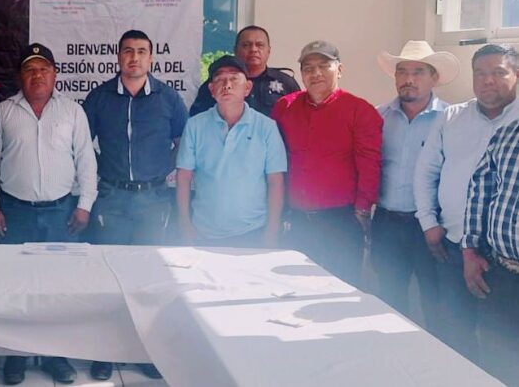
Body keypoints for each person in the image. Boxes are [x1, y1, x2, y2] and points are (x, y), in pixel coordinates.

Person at [0, 43, 97, 385]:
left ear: (55, 74)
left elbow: (86, 160)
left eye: (44, 69)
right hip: (15, 212)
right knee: (17, 287)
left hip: (61, 212)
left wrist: (85, 205)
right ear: (20, 76)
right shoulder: (3, 111)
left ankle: (54, 355)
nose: (37, 75)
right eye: (30, 69)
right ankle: (16, 355)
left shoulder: (73, 111)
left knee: (56, 288)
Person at [82, 29, 187, 382]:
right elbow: (81, 145)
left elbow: (182, 142)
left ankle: (146, 351)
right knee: (108, 278)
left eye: (142, 51)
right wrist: (102, 169)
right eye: (128, 51)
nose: (134, 58)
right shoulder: (99, 97)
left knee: (148, 281)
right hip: (111, 198)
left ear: (151, 58)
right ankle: (105, 353)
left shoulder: (168, 98)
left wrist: (161, 168)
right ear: (118, 56)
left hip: (153, 200)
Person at [414, 43, 519, 361]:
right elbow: (426, 172)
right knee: (454, 334)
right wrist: (429, 224)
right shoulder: (452, 116)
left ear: (516, 75)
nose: (488, 80)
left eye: (498, 72)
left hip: (506, 261)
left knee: (501, 347)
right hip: (455, 245)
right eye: (480, 73)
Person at [271, 40, 382, 288]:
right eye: (308, 68)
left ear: (339, 70)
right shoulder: (285, 107)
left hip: (340, 222)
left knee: (339, 290)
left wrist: (362, 210)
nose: (316, 73)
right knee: (292, 289)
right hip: (297, 222)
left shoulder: (360, 110)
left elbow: (370, 164)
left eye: (324, 66)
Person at [372, 41, 456, 328]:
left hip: (431, 228)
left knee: (436, 302)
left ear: (434, 78)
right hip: (386, 223)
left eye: (418, 72)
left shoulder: (451, 119)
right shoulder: (379, 117)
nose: (408, 79)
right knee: (388, 300)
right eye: (402, 71)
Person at [176, 55, 286, 248]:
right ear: (211, 90)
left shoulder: (266, 127)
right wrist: (185, 225)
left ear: (247, 88)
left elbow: (275, 181)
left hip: (253, 232)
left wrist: (271, 232)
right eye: (219, 79)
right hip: (203, 232)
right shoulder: (195, 125)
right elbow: (183, 177)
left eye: (234, 78)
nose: (227, 85)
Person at [462, 115, 519, 384]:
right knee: (497, 362)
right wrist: (470, 249)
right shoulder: (507, 134)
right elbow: (480, 189)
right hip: (502, 273)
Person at [189, 25, 299, 117]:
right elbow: (199, 120)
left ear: (269, 51)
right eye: (246, 45)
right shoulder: (217, 84)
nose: (253, 49)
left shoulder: (286, 83)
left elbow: (299, 118)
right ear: (235, 50)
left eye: (259, 45)